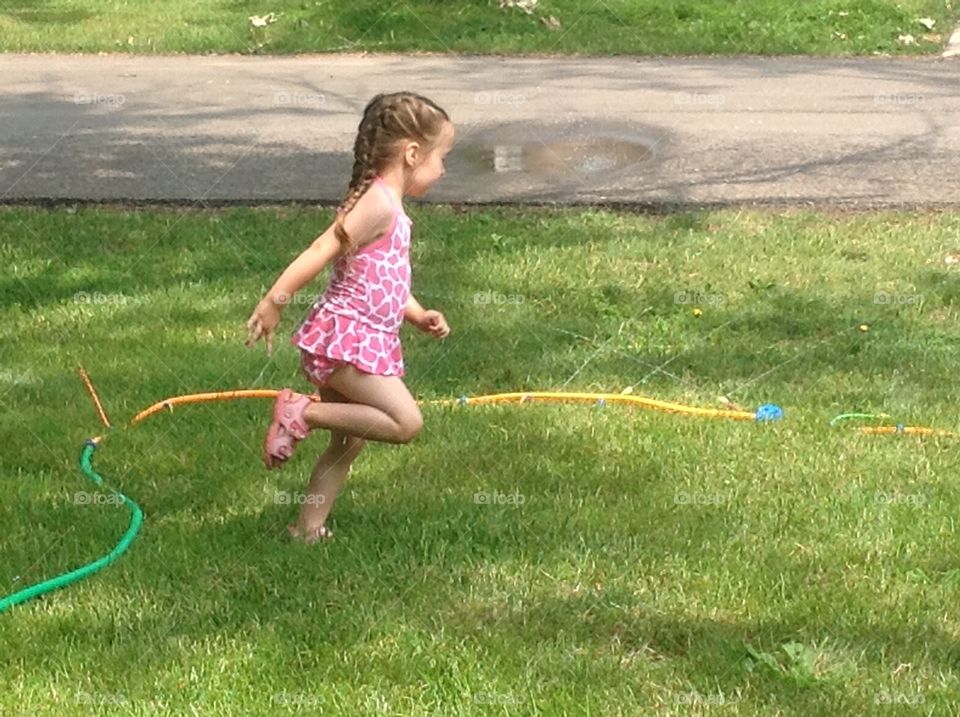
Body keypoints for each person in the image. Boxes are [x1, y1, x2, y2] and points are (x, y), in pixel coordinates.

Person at [244, 92, 454, 543]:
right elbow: (323, 249)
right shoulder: (377, 204)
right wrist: (275, 300)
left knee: (350, 441)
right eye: (442, 158)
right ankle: (303, 412)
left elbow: (384, 278)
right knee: (405, 423)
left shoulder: (388, 206)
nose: (444, 170)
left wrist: (416, 314)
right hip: (347, 339)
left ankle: (306, 530)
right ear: (412, 153)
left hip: (354, 336)